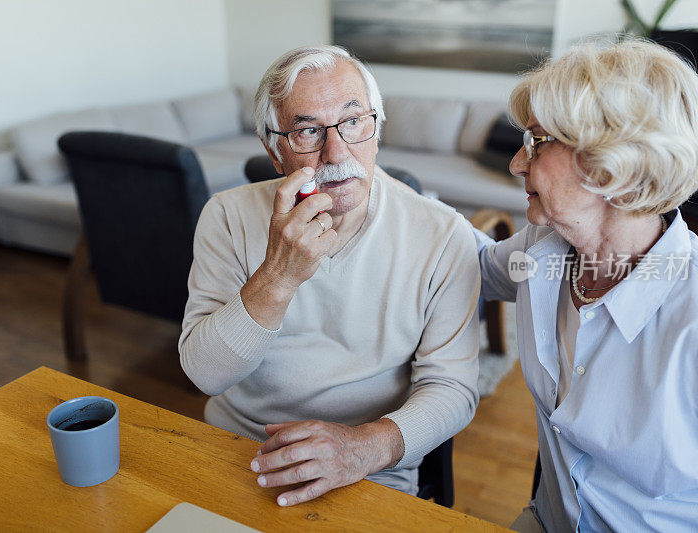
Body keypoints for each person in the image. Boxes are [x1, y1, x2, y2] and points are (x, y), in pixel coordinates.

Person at [178, 45, 481, 506]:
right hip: (240, 448)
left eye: (353, 121)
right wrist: (279, 276)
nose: (337, 151)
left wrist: (362, 448)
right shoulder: (226, 215)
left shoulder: (442, 233)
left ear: (377, 129)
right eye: (308, 130)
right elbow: (205, 374)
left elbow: (453, 388)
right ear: (274, 151)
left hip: (370, 467)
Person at [473, 39, 698, 532]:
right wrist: (372, 191)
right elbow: (471, 265)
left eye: (537, 142)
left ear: (612, 165)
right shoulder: (542, 252)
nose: (517, 164)